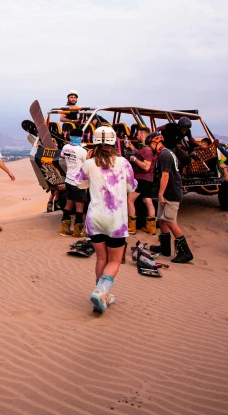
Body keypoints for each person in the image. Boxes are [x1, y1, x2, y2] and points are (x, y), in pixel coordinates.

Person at [74, 126, 137, 313]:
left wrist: (87, 162)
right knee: (115, 261)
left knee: (101, 257)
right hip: (115, 220)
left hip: (95, 218)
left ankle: (100, 296)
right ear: (114, 141)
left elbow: (80, 183)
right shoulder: (123, 162)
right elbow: (132, 186)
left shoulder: (89, 163)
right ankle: (101, 291)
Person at [146, 132, 193, 263]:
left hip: (171, 192)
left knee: (170, 221)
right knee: (161, 220)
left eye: (150, 145)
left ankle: (185, 252)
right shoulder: (166, 153)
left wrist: (160, 193)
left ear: (155, 142)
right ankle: (165, 247)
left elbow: (165, 175)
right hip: (169, 191)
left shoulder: (164, 155)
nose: (149, 148)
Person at [126, 127, 156, 234]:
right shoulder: (147, 148)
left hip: (141, 179)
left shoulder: (146, 150)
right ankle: (151, 227)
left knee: (130, 200)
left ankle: (132, 227)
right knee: (147, 200)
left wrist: (134, 159)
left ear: (143, 135)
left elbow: (146, 166)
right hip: (148, 179)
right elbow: (142, 153)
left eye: (138, 134)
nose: (136, 136)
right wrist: (133, 148)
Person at [59, 129, 88, 237]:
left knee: (68, 204)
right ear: (81, 137)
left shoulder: (65, 147)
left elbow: (62, 156)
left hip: (68, 180)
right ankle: (78, 231)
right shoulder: (82, 151)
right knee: (79, 206)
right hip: (79, 182)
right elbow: (88, 163)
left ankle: (64, 228)